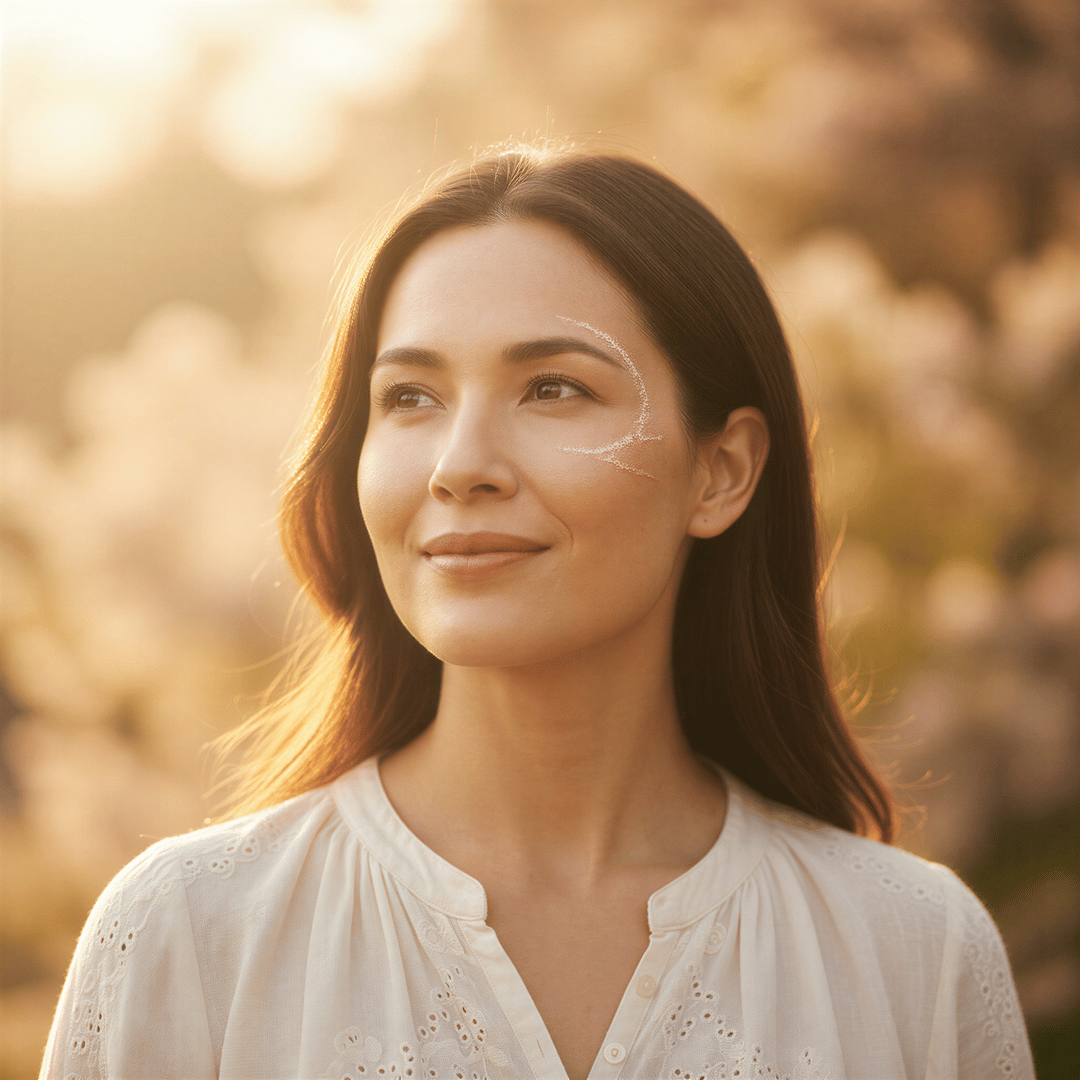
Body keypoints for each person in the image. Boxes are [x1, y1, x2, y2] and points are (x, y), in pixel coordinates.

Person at [40, 144, 1034, 1080]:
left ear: (720, 472)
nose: (461, 465)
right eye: (411, 398)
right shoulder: (187, 937)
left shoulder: (917, 955)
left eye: (552, 388)